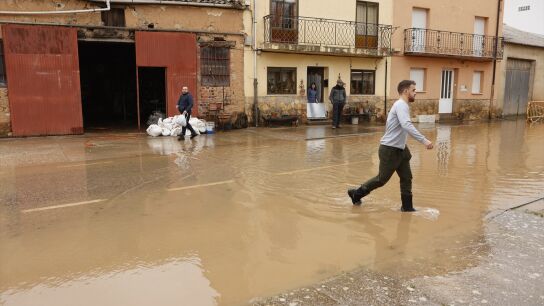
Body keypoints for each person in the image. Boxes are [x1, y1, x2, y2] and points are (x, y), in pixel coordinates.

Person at [347, 80, 434, 212]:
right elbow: (406, 125)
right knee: (382, 179)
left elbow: (402, 127)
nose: (416, 93)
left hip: (401, 149)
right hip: (389, 149)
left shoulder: (403, 105)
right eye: (414, 90)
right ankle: (356, 193)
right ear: (406, 91)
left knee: (407, 178)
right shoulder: (401, 105)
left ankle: (407, 207)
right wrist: (424, 140)